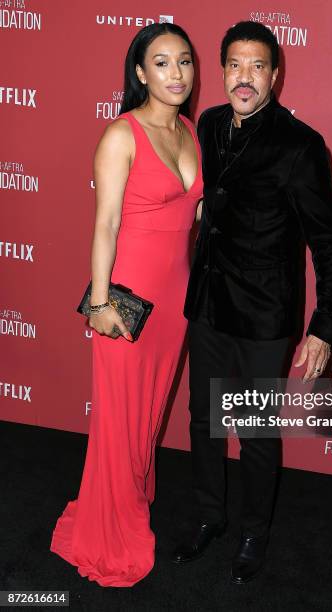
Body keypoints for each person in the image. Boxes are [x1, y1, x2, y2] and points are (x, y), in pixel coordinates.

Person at [172, 21, 332, 584]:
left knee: (252, 428)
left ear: (275, 75)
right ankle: (209, 516)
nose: (244, 78)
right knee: (203, 420)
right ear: (221, 71)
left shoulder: (301, 146)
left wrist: (325, 325)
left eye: (257, 67)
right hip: (208, 303)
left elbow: (328, 243)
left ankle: (254, 531)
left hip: (264, 315)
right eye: (234, 65)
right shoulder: (209, 123)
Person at [50, 23, 203, 587]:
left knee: (148, 414)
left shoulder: (189, 129)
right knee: (118, 418)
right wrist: (98, 303)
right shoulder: (121, 134)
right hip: (128, 301)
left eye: (184, 62)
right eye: (161, 63)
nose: (176, 74)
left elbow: (193, 216)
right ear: (140, 73)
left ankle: (128, 503)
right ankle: (109, 530)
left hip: (176, 303)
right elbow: (106, 224)